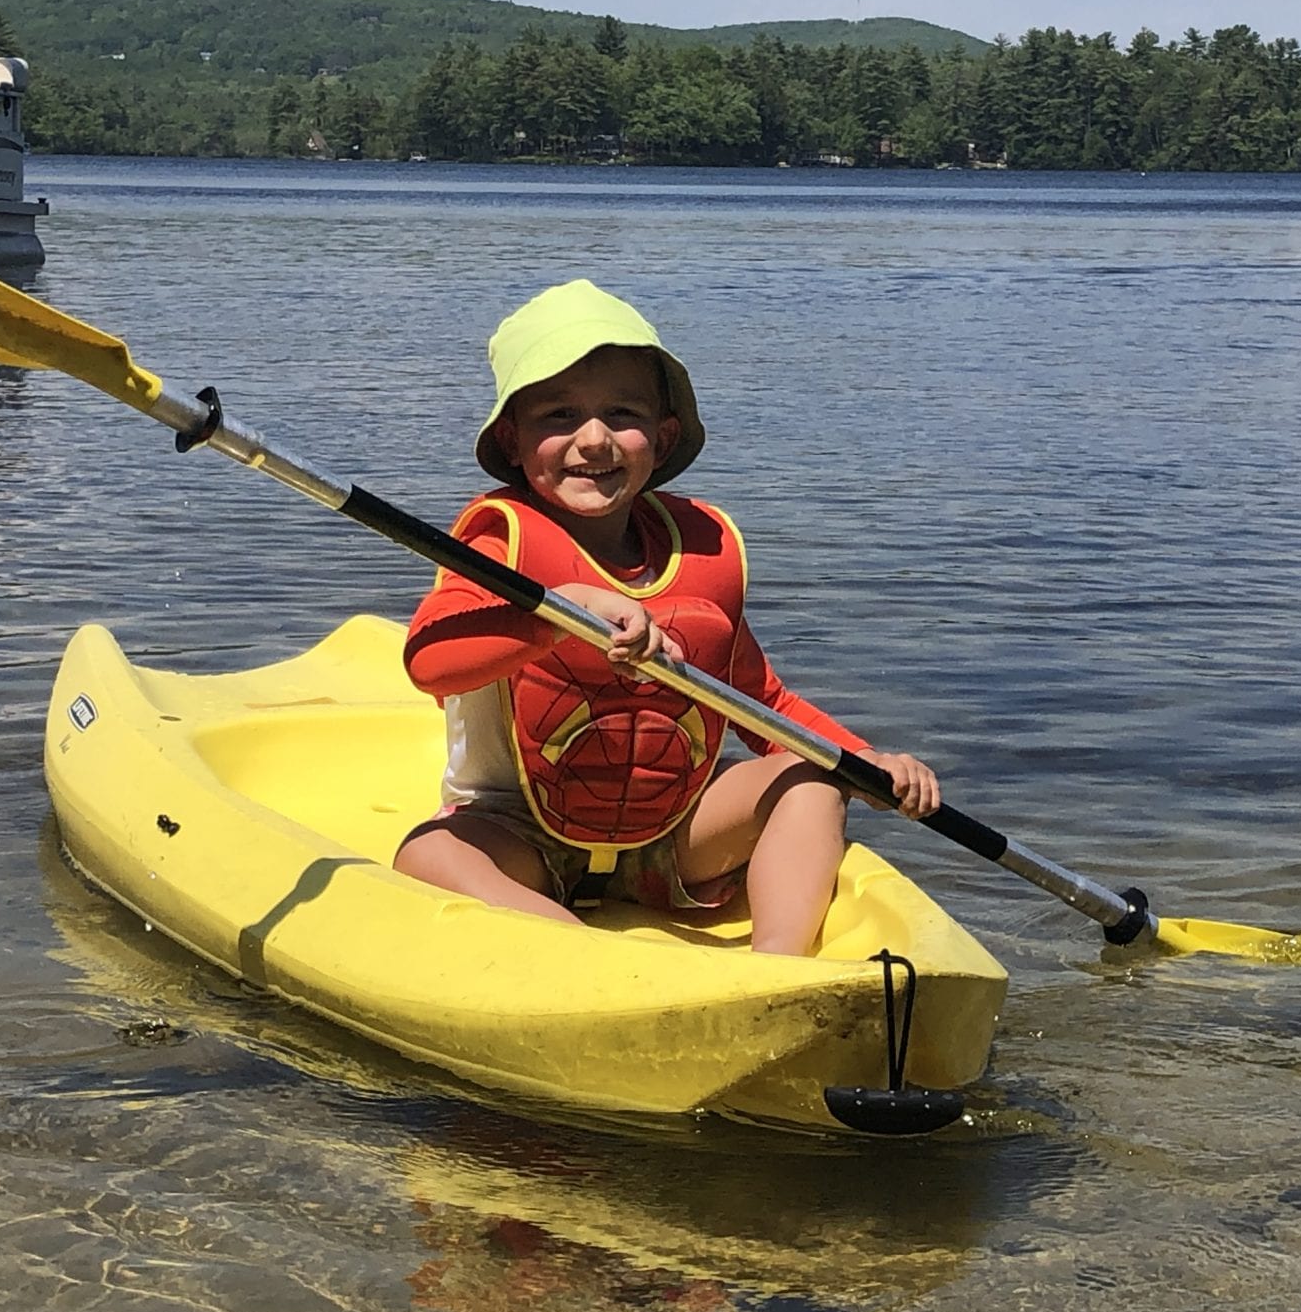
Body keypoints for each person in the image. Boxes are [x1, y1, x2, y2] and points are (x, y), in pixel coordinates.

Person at [393, 279, 939, 956]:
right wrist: (564, 614)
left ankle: (775, 974)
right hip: (517, 837)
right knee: (427, 853)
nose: (592, 441)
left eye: (621, 413)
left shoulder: (704, 549)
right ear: (512, 440)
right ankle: (579, 952)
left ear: (663, 433)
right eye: (558, 416)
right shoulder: (498, 540)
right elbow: (431, 661)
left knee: (815, 776)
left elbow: (760, 702)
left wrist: (863, 761)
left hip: (672, 838)